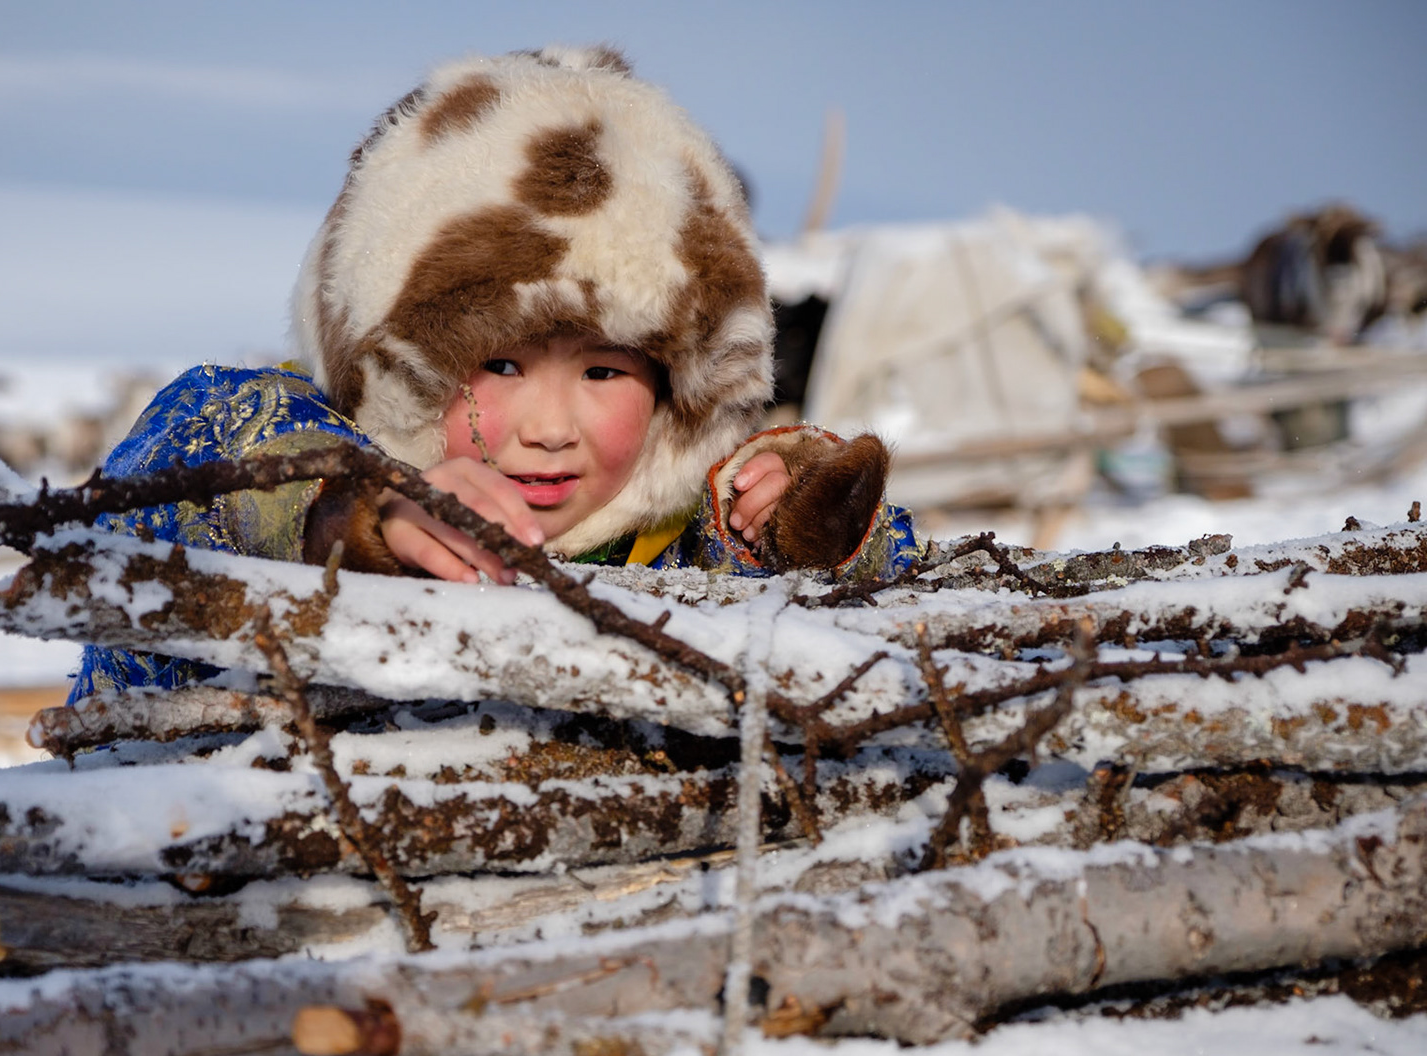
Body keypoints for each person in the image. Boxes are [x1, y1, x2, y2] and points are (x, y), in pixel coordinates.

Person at [72, 45, 919, 699]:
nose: (550, 428)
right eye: (500, 362)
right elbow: (190, 465)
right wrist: (351, 512)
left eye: (603, 372)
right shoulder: (262, 428)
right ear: (398, 364)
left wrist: (793, 522)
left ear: (679, 396)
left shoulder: (683, 545)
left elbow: (904, 589)